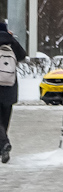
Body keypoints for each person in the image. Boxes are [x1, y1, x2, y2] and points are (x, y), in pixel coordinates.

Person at [0, 19, 25, 164]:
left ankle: (4, 144)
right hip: (10, 85)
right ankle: (3, 145)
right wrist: (11, 39)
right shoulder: (11, 42)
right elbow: (22, 55)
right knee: (5, 118)